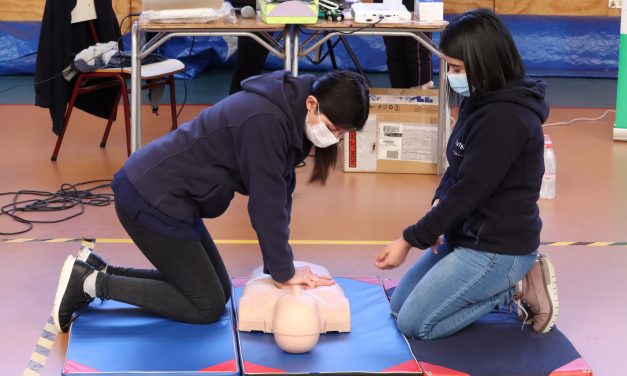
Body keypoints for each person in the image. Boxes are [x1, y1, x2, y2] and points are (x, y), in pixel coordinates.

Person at [51, 70, 370, 333]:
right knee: (205, 305)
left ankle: (97, 269)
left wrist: (278, 265)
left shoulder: (293, 111)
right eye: (333, 128)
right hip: (151, 198)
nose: (335, 138)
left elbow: (280, 187)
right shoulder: (266, 121)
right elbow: (265, 204)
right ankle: (90, 283)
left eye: (343, 134)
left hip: (174, 198)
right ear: (312, 103)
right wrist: (285, 272)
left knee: (219, 291)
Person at [374, 9, 558, 340]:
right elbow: (457, 168)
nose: (450, 76)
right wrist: (437, 202)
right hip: (468, 236)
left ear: (484, 63)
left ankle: (516, 287)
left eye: (457, 69)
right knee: (399, 306)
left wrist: (411, 238)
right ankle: (502, 283)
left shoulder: (505, 120)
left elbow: (469, 191)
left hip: (498, 249)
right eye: (448, 67)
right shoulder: (480, 98)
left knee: (415, 324)